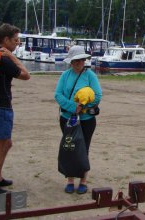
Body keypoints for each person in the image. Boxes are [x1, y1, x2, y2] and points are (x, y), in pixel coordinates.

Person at [0, 23, 30, 195]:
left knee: (6, 144)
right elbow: (26, 75)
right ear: (6, 40)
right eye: (16, 40)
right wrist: (13, 57)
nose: (18, 43)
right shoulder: (2, 58)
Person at [54, 46, 102, 194]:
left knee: (83, 149)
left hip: (87, 119)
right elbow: (58, 95)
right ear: (71, 61)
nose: (79, 62)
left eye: (82, 59)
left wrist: (83, 106)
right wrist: (72, 106)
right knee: (70, 148)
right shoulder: (65, 75)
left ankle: (83, 180)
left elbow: (98, 96)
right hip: (67, 118)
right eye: (76, 60)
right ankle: (70, 180)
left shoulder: (90, 75)